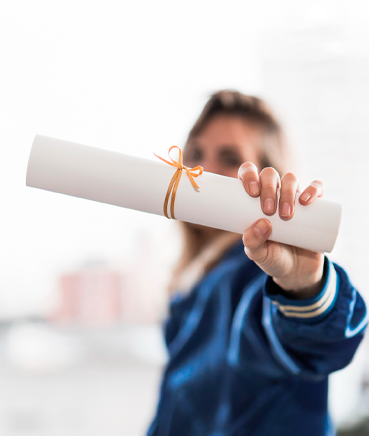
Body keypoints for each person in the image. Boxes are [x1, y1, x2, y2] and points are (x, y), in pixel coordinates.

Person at [147, 90, 368, 436]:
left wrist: (303, 287)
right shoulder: (192, 290)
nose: (201, 170)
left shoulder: (254, 277)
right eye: (194, 154)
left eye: (229, 157)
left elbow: (312, 339)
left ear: (268, 179)